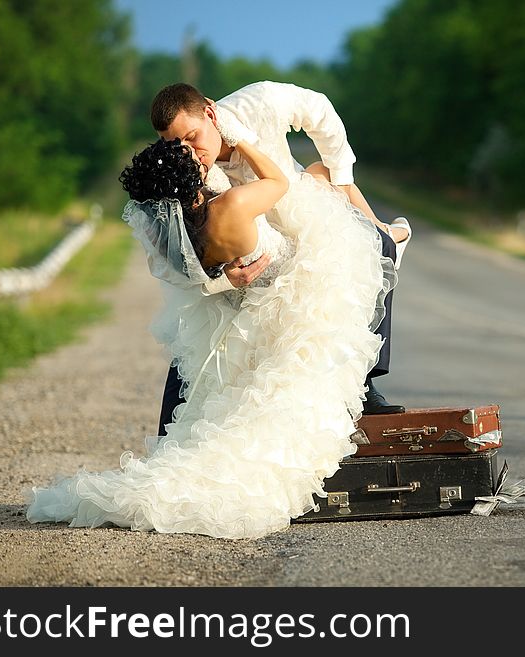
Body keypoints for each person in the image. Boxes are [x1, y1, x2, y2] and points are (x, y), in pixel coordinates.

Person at [25, 132, 396, 539]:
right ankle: (388, 233)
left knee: (232, 388)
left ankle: (388, 233)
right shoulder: (232, 206)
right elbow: (279, 182)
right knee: (337, 203)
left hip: (247, 303)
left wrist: (221, 275)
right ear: (195, 177)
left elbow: (191, 277)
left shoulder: (177, 232)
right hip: (290, 287)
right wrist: (249, 145)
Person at [150, 82, 410, 430]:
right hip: (253, 251)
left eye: (192, 137)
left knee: (372, 253)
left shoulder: (260, 103)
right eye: (175, 144)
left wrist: (343, 181)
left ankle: (364, 384)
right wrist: (220, 280)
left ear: (211, 114)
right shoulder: (183, 171)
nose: (188, 152)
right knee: (203, 333)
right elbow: (172, 253)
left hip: (299, 209)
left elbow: (320, 111)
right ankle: (175, 433)